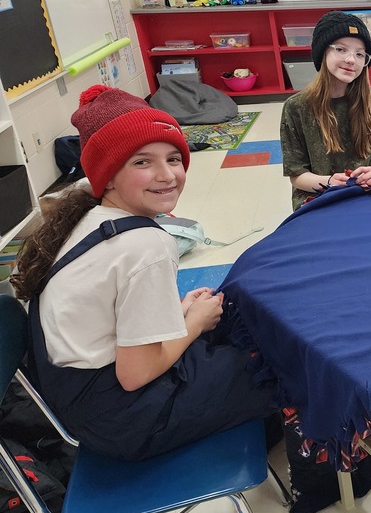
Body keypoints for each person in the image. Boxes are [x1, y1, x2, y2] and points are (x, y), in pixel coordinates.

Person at [10, 86, 278, 460]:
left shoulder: (84, 214)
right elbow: (134, 374)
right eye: (142, 162)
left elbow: (107, 315)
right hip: (123, 419)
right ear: (110, 174)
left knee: (231, 326)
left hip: (74, 399)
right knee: (278, 362)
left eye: (174, 158)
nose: (166, 175)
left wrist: (178, 312)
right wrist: (194, 324)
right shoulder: (146, 246)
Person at [281, 11, 371, 211]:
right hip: (321, 196)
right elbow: (297, 176)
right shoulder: (296, 107)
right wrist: (330, 181)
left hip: (366, 194)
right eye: (341, 49)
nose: (351, 60)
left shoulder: (370, 98)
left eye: (360, 54)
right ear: (322, 52)